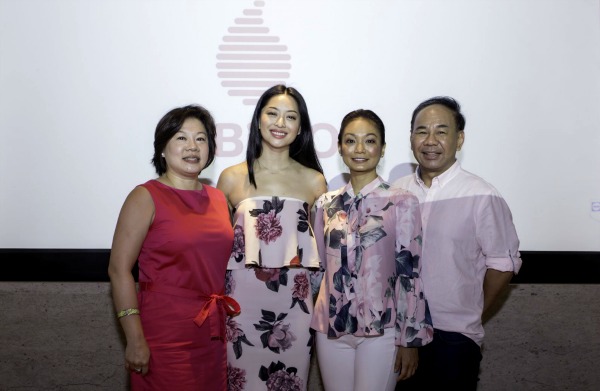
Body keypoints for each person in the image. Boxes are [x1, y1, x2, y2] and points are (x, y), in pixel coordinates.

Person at [394, 96, 522, 390]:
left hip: (453, 337)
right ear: (411, 138)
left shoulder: (482, 195)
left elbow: (503, 264)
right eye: (421, 131)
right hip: (397, 336)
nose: (430, 140)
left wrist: (473, 311)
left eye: (441, 131)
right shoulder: (396, 193)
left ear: (459, 139)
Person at [108, 105, 238, 390]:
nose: (192, 146)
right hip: (164, 335)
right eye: (181, 138)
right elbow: (118, 271)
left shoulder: (218, 199)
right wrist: (134, 339)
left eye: (201, 139)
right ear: (162, 149)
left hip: (212, 336)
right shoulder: (145, 197)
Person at [311, 109, 433, 391]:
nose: (360, 149)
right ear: (340, 147)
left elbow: (410, 274)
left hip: (383, 331)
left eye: (369, 141)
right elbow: (319, 269)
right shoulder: (325, 204)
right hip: (331, 330)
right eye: (351, 141)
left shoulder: (402, 201)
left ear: (383, 148)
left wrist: (409, 339)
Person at [217, 85, 327, 391]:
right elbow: (217, 247)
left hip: (295, 307)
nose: (280, 123)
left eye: (290, 117)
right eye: (272, 113)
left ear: (300, 127)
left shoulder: (315, 180)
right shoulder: (231, 177)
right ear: (258, 119)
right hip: (240, 305)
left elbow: (320, 252)